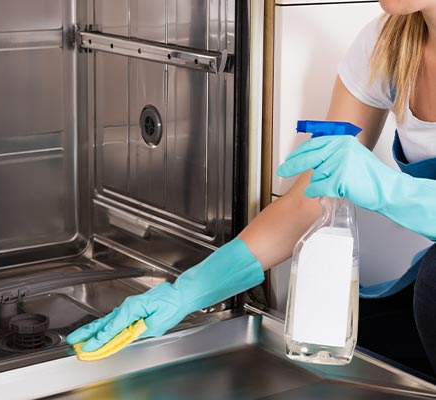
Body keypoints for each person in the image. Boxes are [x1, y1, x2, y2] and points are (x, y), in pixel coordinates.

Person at [67, 0, 436, 374]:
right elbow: (308, 201)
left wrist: (390, 190)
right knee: (357, 344)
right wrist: (186, 292)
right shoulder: (389, 43)